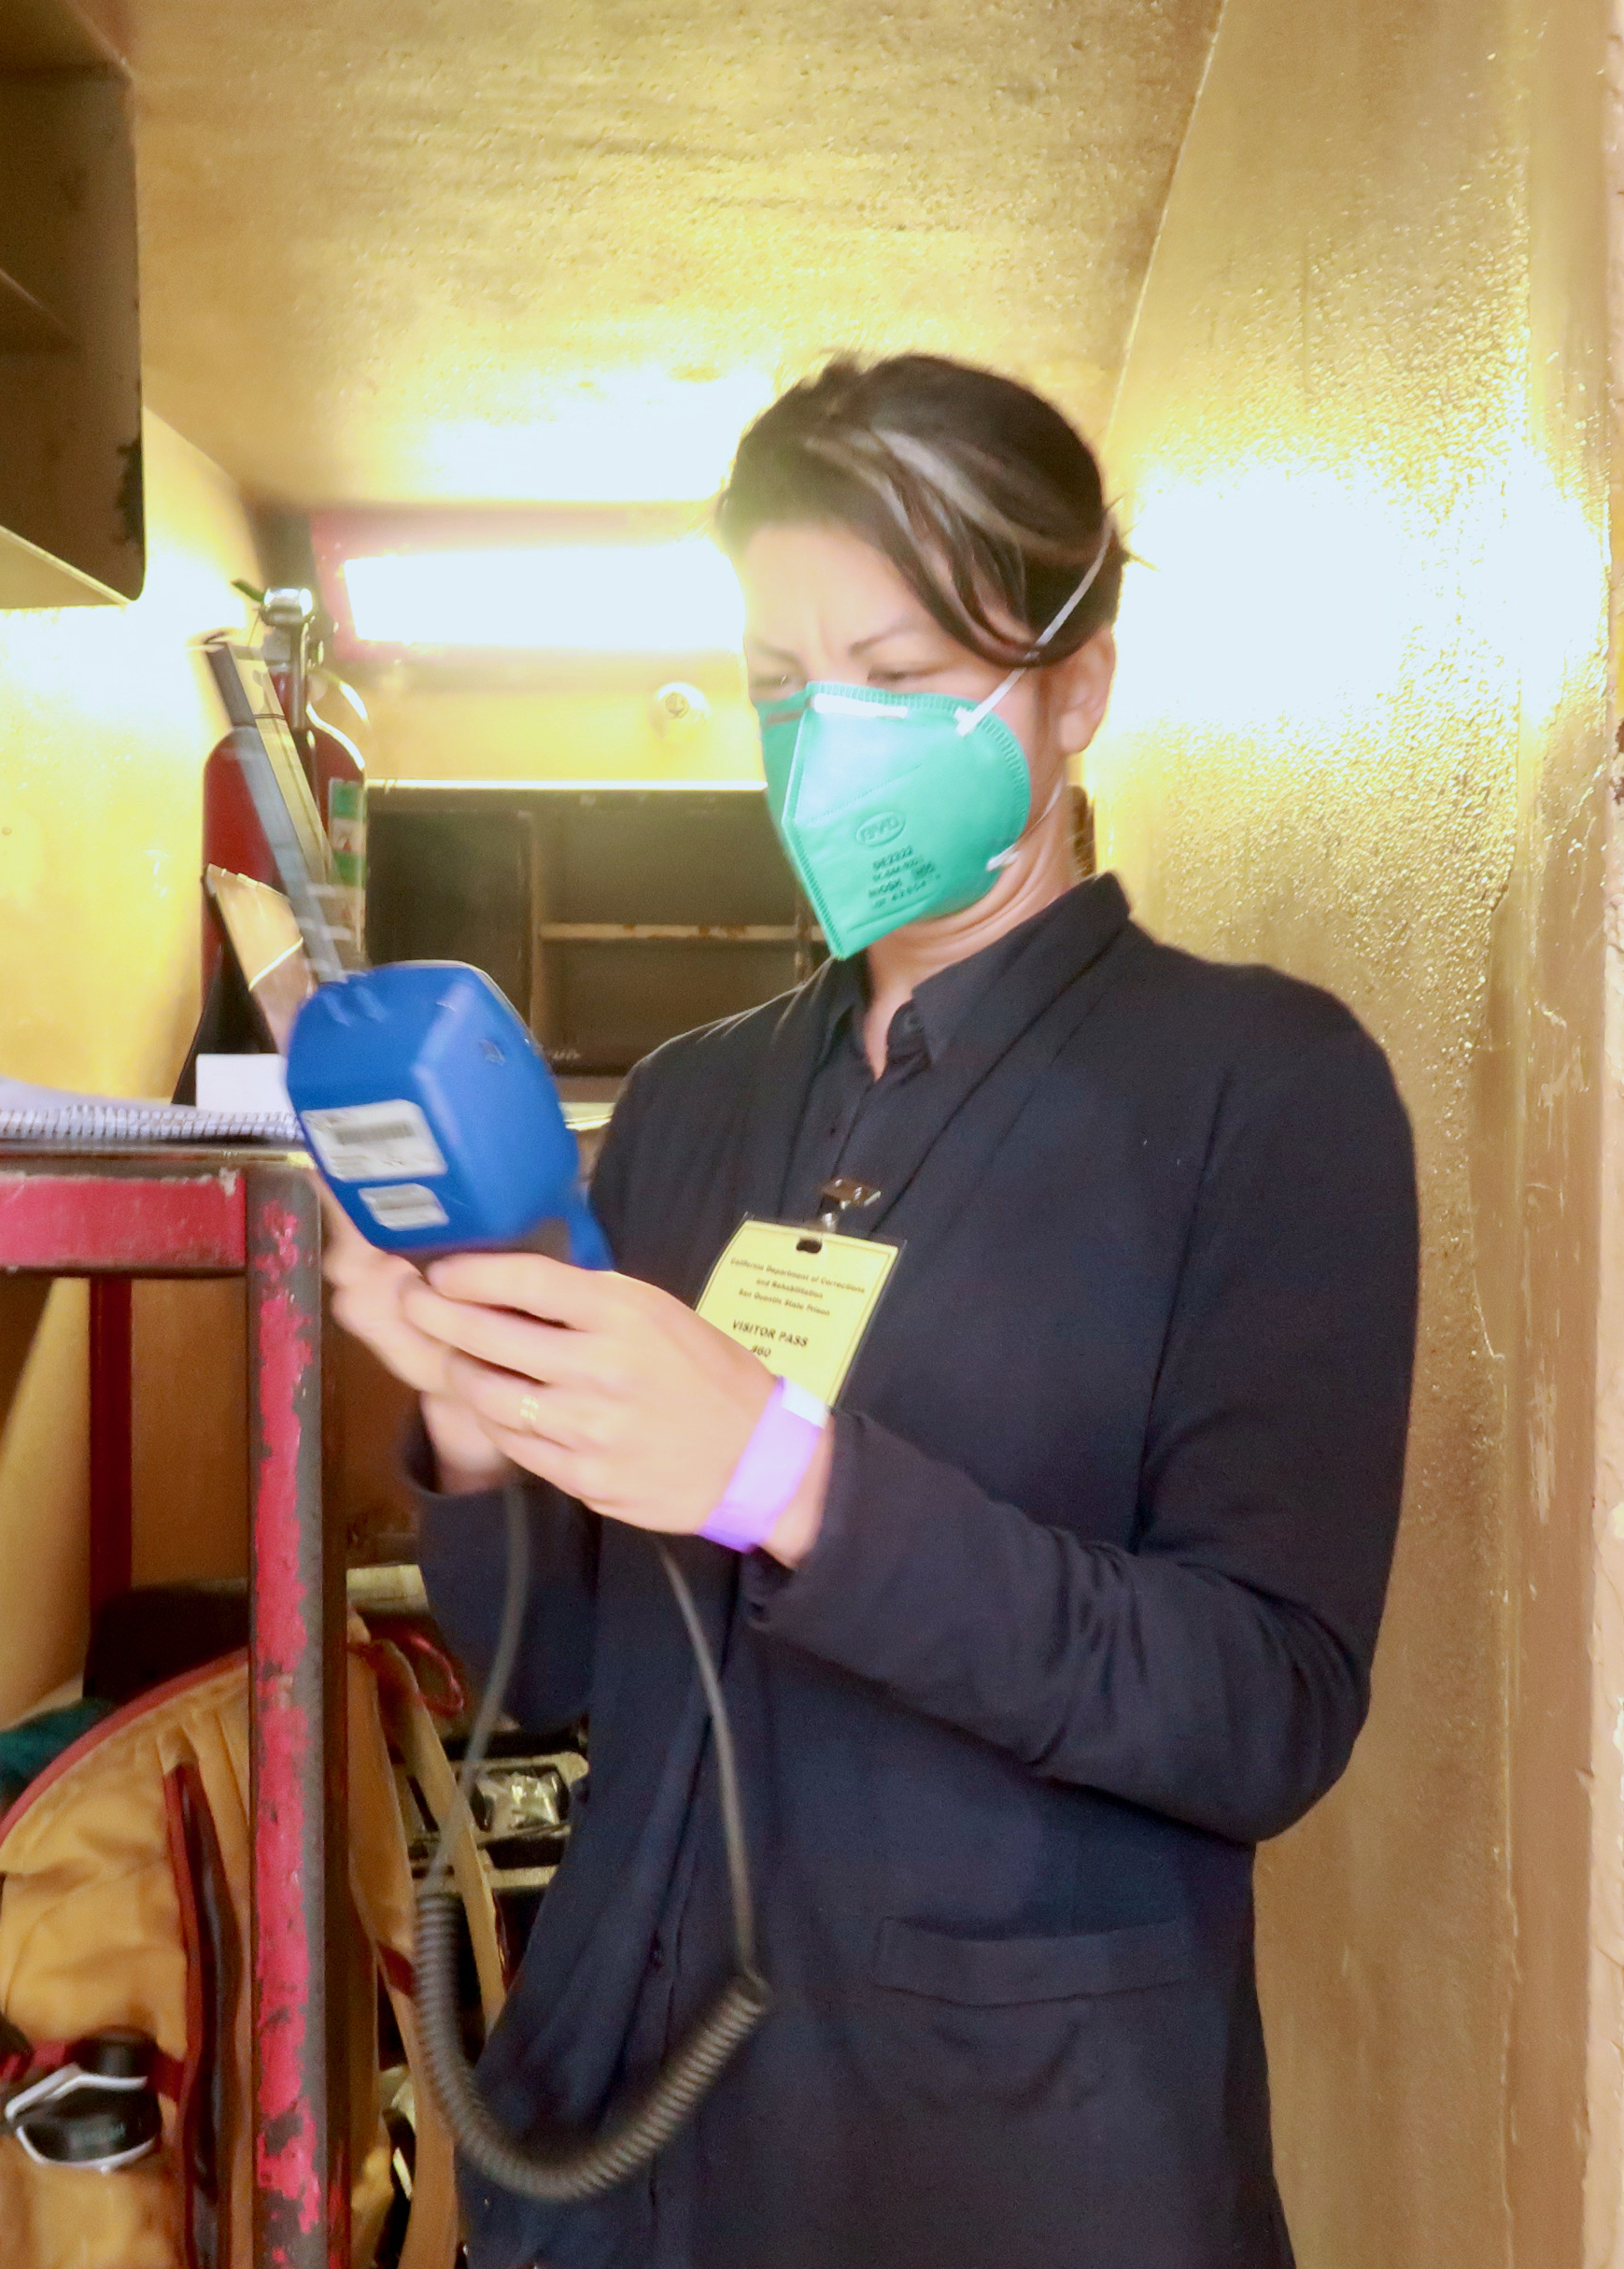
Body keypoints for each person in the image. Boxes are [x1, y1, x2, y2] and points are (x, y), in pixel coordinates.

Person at [319, 353, 1419, 2269]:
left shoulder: (1260, 1088)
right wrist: (480, 1422)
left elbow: (1264, 1708)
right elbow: (557, 1669)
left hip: (1002, 2157)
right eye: (781, 686)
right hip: (629, 2124)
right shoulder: (693, 1104)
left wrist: (789, 1480)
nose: (828, 743)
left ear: (1077, 685)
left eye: (898, 679)